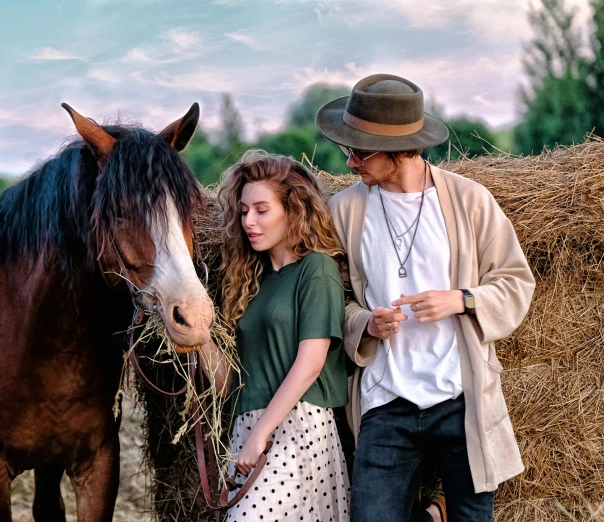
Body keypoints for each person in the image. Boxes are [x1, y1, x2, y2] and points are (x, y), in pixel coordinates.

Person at [315, 74, 536, 522]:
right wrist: (365, 324)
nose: (351, 162)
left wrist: (461, 299)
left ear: (400, 152)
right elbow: (329, 298)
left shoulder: (469, 200)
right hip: (385, 403)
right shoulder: (344, 210)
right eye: (347, 150)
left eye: (360, 151)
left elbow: (516, 281)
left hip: (461, 399)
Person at [215, 150, 351, 521]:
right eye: (243, 211)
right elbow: (232, 381)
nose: (249, 221)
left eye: (262, 209)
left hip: (298, 428)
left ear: (293, 210)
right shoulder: (250, 283)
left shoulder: (316, 270)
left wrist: (261, 433)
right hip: (248, 427)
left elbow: (311, 363)